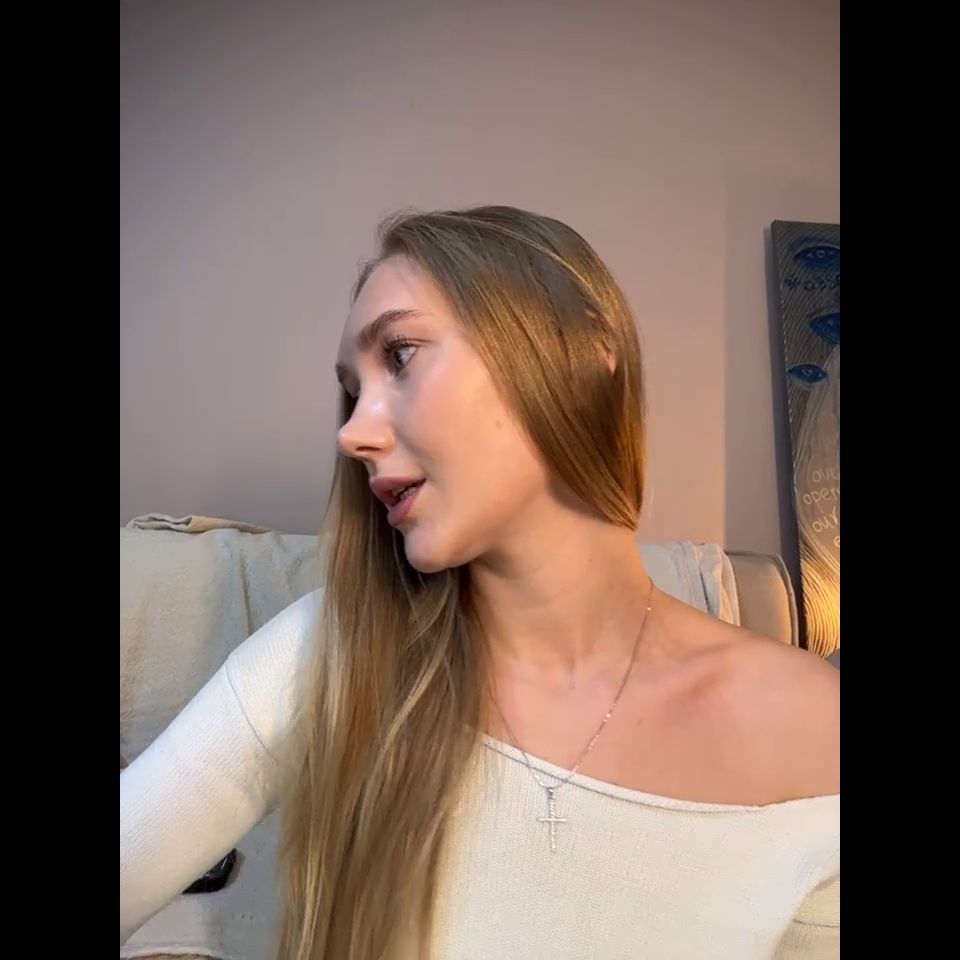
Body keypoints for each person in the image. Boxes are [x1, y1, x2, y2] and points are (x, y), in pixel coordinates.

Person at [120, 205, 840, 959]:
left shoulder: (811, 727)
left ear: (582, 351)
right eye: (353, 391)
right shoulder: (330, 655)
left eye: (400, 356)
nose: (352, 433)